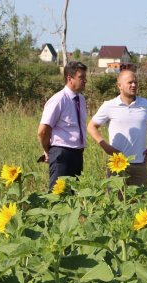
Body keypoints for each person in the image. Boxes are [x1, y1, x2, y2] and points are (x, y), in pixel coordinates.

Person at [87, 70, 147, 186]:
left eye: (135, 82)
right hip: (117, 165)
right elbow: (91, 126)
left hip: (139, 164)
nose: (133, 85)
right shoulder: (109, 105)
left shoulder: (146, 104)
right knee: (116, 202)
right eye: (130, 82)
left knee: (139, 201)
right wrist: (106, 146)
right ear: (119, 86)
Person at [38, 61, 88, 190]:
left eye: (85, 77)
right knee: (58, 194)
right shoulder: (59, 99)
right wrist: (48, 151)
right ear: (69, 78)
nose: (85, 81)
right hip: (61, 153)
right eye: (81, 77)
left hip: (77, 154)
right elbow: (43, 131)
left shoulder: (81, 99)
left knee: (73, 195)